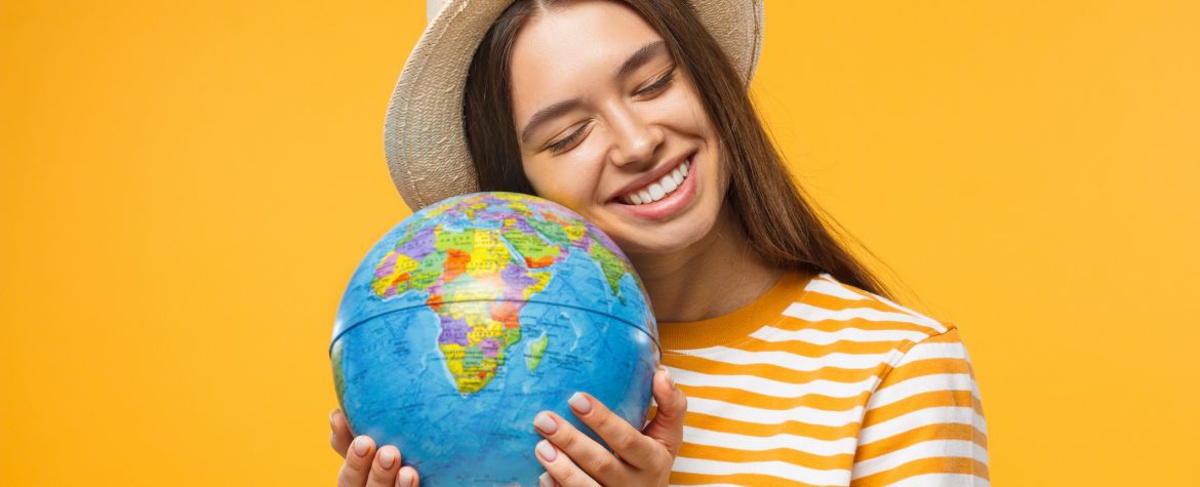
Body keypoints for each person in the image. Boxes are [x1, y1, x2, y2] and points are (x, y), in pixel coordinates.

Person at [330, 0, 990, 485]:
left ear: (706, 80)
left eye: (653, 83)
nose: (639, 140)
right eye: (567, 136)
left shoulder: (896, 368)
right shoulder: (463, 390)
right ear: (516, 185)